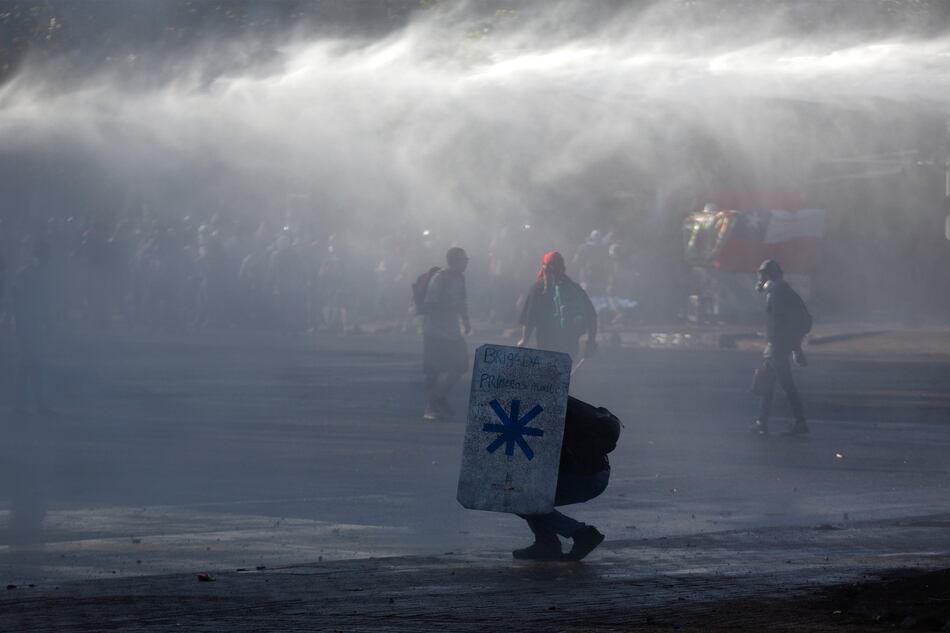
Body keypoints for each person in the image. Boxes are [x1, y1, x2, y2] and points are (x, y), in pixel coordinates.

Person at [513, 396, 617, 561]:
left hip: (585, 477)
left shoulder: (550, 406)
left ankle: (580, 534)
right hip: (591, 474)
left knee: (520, 497)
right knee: (523, 494)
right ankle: (546, 544)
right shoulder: (552, 400)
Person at [750, 259, 810, 436]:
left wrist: (795, 349)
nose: (760, 280)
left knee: (786, 385)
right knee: (767, 383)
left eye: (762, 275)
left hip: (777, 347)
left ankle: (800, 422)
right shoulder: (779, 291)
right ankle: (762, 421)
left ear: (769, 276)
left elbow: (781, 324)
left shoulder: (778, 293)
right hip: (775, 346)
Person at [421, 247, 471, 420]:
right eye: (464, 259)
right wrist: (448, 306)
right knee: (434, 370)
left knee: (461, 365)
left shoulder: (461, 278)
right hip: (435, 331)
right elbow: (428, 304)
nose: (466, 262)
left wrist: (466, 320)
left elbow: (462, 301)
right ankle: (430, 407)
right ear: (454, 261)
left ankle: (439, 395)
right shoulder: (440, 278)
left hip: (453, 331)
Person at [518, 251, 597, 360]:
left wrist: (524, 340)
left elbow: (529, 319)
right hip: (570, 345)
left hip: (546, 344)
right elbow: (592, 316)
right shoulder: (574, 289)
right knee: (567, 372)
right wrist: (591, 342)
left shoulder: (537, 289)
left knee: (549, 373)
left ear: (544, 268)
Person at [12, 239, 53, 415]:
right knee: (31, 363)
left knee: (30, 364)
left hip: (33, 323)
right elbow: (16, 300)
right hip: (27, 324)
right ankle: (30, 404)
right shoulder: (27, 274)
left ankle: (29, 403)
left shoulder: (36, 273)